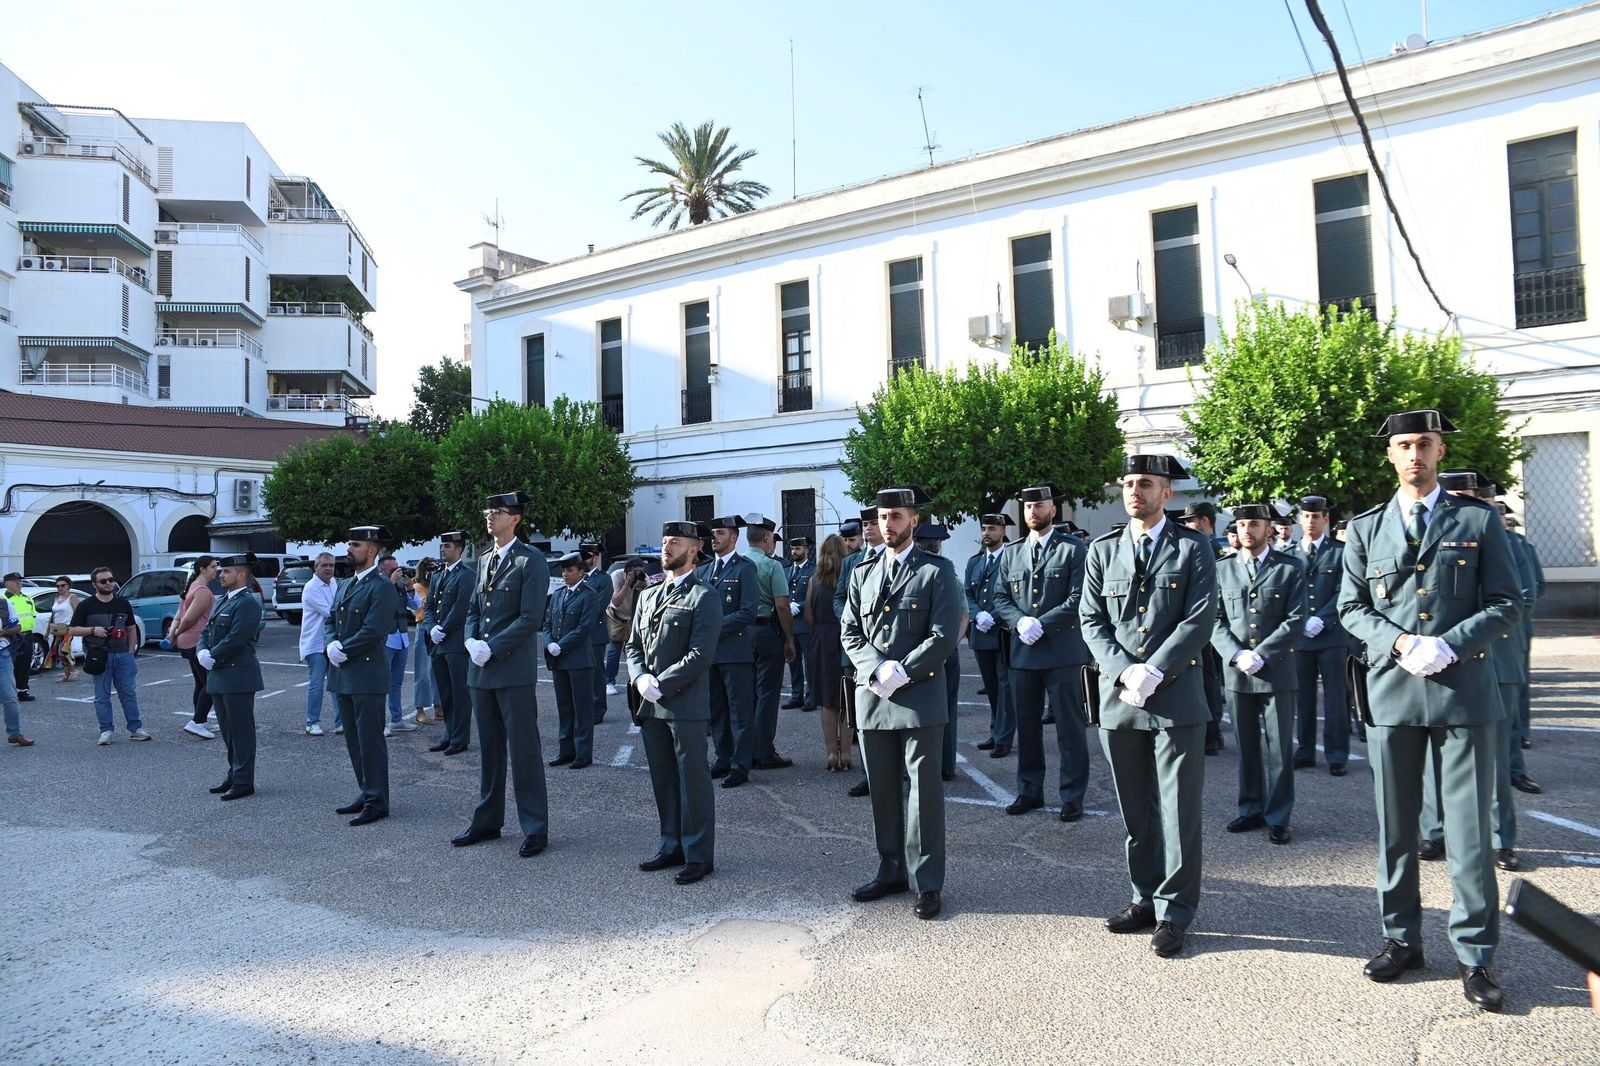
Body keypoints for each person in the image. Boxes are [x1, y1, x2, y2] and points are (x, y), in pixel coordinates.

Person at [1338, 409, 1522, 1012]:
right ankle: (1402, 940)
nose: (1414, 454)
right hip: (1393, 691)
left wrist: (1450, 643)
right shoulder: (1365, 528)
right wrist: (1398, 642)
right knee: (1397, 828)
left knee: (1469, 833)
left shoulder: (1476, 520)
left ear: (1441, 451)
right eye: (1403, 445)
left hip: (1462, 691)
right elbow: (1350, 606)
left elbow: (1507, 601)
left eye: (1424, 443)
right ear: (1389, 455)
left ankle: (1475, 954)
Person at [1080, 454, 1217, 959]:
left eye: (1146, 484)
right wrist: (1124, 671)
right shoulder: (1103, 550)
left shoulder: (1194, 547)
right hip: (1121, 700)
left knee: (1178, 812)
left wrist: (1154, 670)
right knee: (1136, 811)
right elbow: (1091, 619)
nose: (1135, 491)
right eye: (1129, 483)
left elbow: (1199, 618)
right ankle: (1144, 897)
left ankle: (1175, 912)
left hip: (1175, 696)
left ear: (1167, 493)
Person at [842, 487, 963, 920]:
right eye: (882, 516)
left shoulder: (936, 571)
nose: (887, 524)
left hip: (918, 697)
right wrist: (877, 668)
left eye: (896, 516)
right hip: (874, 694)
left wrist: (904, 670)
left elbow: (944, 634)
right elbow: (850, 630)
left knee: (923, 794)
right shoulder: (862, 571)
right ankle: (890, 870)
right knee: (882, 789)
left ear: (914, 520)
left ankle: (927, 882)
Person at [453, 491, 551, 858]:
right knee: (489, 751)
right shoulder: (483, 559)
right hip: (481, 670)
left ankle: (535, 827)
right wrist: (470, 640)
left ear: (516, 519)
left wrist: (492, 646)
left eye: (498, 511)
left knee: (524, 751)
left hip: (512, 669)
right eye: (488, 510)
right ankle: (487, 820)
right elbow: (474, 610)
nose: (490, 516)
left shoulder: (531, 560)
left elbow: (531, 618)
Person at [629, 521, 724, 884]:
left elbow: (701, 654)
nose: (666, 547)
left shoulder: (703, 596)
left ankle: (698, 854)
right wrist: (640, 677)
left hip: (684, 704)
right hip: (650, 702)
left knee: (692, 780)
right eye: (665, 540)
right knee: (663, 779)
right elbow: (633, 646)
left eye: (675, 542)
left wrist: (661, 683)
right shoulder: (649, 595)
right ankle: (671, 844)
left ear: (694, 549)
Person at [993, 484, 1093, 822]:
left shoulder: (1073, 549)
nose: (1033, 511)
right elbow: (1000, 596)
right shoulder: (1012, 553)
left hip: (1062, 651)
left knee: (1069, 727)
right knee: (1027, 726)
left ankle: (1072, 795)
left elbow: (1079, 596)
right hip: (1023, 651)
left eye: (1039, 505)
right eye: (1028, 506)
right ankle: (1030, 789)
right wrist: (1019, 621)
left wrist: (1044, 623)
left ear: (1053, 509)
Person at [1211, 502, 1306, 845]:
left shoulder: (1290, 568)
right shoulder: (1221, 569)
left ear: (1268, 529)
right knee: (1247, 747)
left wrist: (1263, 654)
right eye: (1241, 525)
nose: (1247, 531)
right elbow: (1214, 619)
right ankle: (1251, 808)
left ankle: (1279, 817)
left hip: (1276, 671)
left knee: (1279, 749)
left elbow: (1296, 618)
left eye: (1254, 524)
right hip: (1238, 673)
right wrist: (1237, 654)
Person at [326, 526, 401, 826]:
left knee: (370, 741)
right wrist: (330, 643)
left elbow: (374, 629)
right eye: (349, 544)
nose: (349, 549)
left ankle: (377, 801)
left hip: (367, 673)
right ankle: (366, 790)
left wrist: (343, 647)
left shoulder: (381, 587)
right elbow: (331, 619)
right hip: (344, 672)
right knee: (354, 740)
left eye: (355, 545)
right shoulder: (345, 584)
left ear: (372, 550)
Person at [696, 516, 760, 787]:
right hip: (710, 653)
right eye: (713, 533)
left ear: (734, 538)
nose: (714, 538)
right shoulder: (704, 571)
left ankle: (741, 764)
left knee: (740, 711)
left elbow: (748, 611)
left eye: (720, 533)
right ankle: (723, 758)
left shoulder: (745, 568)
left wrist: (712, 627)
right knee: (716, 710)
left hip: (735, 651)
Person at [196, 554, 264, 801]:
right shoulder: (223, 600)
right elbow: (206, 631)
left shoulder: (247, 603)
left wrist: (212, 655)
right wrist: (201, 650)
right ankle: (234, 774)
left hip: (237, 676)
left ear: (241, 574)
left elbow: (237, 638)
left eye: (226, 571)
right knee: (228, 731)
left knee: (241, 731)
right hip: (220, 676)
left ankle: (245, 781)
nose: (221, 575)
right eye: (221, 571)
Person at [1291, 495, 1351, 775]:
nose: (1311, 521)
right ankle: (1304, 750)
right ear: (1299, 519)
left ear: (1326, 519)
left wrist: (1323, 618)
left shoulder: (1340, 551)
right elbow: (1286, 594)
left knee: (1336, 697)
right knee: (1303, 697)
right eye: (1306, 516)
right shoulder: (1289, 554)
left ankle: (1337, 754)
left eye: (1316, 516)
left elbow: (1345, 590)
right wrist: (1303, 619)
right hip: (1301, 636)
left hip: (1333, 635)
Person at [835, 506, 885, 799]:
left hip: (889, 649)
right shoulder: (851, 562)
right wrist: (850, 621)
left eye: (873, 523)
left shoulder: (894, 558)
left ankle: (900, 771)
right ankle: (871, 775)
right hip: (857, 650)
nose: (868, 529)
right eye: (865, 524)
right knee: (862, 716)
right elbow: (839, 598)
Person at [70, 567, 150, 745]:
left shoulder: (123, 603)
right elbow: (73, 629)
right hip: (99, 655)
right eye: (103, 581)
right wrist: (93, 630)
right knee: (102, 696)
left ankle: (135, 728)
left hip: (123, 655)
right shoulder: (86, 605)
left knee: (128, 693)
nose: (108, 583)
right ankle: (106, 731)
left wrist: (131, 651)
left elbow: (131, 628)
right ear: (94, 584)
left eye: (111, 579)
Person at [743, 515, 797, 771]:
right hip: (766, 631)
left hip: (741, 634)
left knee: (745, 694)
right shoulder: (771, 566)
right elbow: (782, 606)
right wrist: (790, 639)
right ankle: (763, 751)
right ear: (766, 537)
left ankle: (744, 750)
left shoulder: (738, 564)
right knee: (767, 693)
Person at [915, 523, 966, 782]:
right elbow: (964, 616)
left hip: (921, 653)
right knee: (946, 710)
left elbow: (964, 615)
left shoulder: (916, 575)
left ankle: (928, 765)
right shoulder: (950, 574)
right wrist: (950, 646)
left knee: (920, 711)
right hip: (944, 651)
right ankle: (946, 765)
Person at [1177, 503, 1229, 756]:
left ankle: (1212, 733)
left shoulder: (1209, 547)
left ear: (1205, 521)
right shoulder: (1200, 545)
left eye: (1191, 520)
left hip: (1209, 620)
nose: (1187, 525)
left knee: (1208, 677)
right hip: (1203, 618)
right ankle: (1211, 733)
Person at [966, 513, 1016, 759]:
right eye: (984, 529)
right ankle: (995, 731)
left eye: (992, 529)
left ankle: (1004, 737)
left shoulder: (1012, 558)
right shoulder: (975, 562)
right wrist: (977, 615)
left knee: (1005, 687)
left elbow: (1014, 594)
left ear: (1003, 532)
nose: (987, 533)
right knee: (992, 687)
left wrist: (993, 616)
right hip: (981, 632)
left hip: (1003, 632)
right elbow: (967, 594)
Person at [545, 551, 600, 769]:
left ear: (581, 572)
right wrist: (549, 643)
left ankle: (583, 754)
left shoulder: (589, 595)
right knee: (565, 708)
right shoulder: (558, 595)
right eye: (563, 571)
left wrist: (561, 645)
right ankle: (566, 751)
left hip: (579, 661)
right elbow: (547, 624)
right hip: (559, 660)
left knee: (582, 709)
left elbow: (584, 627)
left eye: (569, 570)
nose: (565, 574)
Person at [424, 532, 474, 755]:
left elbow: (461, 608)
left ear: (459, 549)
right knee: (445, 692)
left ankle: (460, 738)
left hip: (455, 643)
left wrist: (442, 629)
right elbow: (428, 606)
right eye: (442, 546)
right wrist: (431, 628)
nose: (443, 549)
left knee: (459, 692)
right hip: (438, 643)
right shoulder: (437, 575)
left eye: (447, 546)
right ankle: (449, 733)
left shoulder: (467, 575)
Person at [807, 534, 850, 770]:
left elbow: (808, 615)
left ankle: (831, 753)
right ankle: (847, 753)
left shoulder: (814, 580)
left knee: (827, 701)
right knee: (847, 698)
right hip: (845, 638)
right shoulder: (850, 578)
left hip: (822, 640)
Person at [167, 556, 218, 741]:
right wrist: (176, 633)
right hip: (196, 642)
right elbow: (188, 618)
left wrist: (173, 634)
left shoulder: (191, 587)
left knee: (200, 683)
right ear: (202, 569)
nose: (216, 570)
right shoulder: (202, 591)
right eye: (213, 567)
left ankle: (200, 720)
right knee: (212, 684)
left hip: (187, 642)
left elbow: (178, 617)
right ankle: (197, 722)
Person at [379, 556, 419, 737]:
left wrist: (410, 587)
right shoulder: (379, 585)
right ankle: (379, 723)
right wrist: (391, 583)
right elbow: (379, 604)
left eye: (398, 568)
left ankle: (396, 720)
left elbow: (417, 606)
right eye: (392, 570)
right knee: (381, 684)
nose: (397, 572)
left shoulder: (401, 586)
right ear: (382, 571)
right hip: (386, 639)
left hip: (401, 638)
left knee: (396, 683)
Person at [300, 553, 340, 736]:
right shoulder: (311, 587)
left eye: (331, 565)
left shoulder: (334, 583)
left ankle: (341, 722)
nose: (328, 568)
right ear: (316, 567)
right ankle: (312, 722)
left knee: (336, 684)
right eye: (324, 565)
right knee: (316, 684)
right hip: (315, 643)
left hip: (331, 641)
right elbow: (331, 612)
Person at [605, 556, 648, 695]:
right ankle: (609, 682)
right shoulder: (617, 576)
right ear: (627, 571)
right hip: (617, 617)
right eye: (635, 572)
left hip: (634, 618)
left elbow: (649, 601)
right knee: (614, 649)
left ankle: (636, 680)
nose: (638, 574)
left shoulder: (644, 579)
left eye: (641, 571)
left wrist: (642, 587)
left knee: (635, 651)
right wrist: (627, 584)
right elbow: (616, 602)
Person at [580, 543, 612, 723]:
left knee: (596, 673)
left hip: (594, 634)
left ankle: (598, 710)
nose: (583, 559)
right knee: (581, 674)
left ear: (596, 558)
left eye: (587, 556)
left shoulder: (603, 579)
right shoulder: (579, 578)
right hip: (578, 635)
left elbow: (598, 607)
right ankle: (584, 708)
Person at [783, 535, 815, 711]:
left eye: (798, 549)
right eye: (793, 549)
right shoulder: (786, 570)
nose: (794, 552)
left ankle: (811, 697)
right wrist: (787, 605)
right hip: (789, 624)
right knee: (793, 661)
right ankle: (796, 696)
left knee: (809, 663)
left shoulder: (813, 571)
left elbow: (815, 595)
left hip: (805, 623)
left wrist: (800, 606)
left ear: (806, 550)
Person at [410, 557, 440, 724]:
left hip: (437, 626)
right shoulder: (417, 586)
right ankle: (420, 709)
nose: (432, 571)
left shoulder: (438, 583)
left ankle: (438, 706)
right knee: (422, 669)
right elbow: (422, 605)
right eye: (429, 568)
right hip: (423, 626)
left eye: (435, 568)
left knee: (437, 668)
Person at [1, 593, 32, 745]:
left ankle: (15, 733)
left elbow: (17, 627)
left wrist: (4, 632)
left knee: (10, 696)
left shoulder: (4, 603)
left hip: (2, 654)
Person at [3, 573, 36, 703]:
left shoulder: (27, 598)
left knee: (24, 664)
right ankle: (7, 692)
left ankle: (22, 691)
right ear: (7, 583)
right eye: (15, 581)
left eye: (19, 581)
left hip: (27, 635)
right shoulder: (3, 600)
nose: (18, 583)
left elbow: (32, 616)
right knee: (8, 665)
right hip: (10, 636)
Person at [44, 576, 83, 681]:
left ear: (68, 586)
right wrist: (47, 632)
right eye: (58, 586)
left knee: (64, 649)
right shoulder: (56, 599)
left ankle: (73, 670)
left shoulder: (72, 597)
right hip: (58, 629)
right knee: (59, 652)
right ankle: (66, 673)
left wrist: (76, 626)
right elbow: (52, 616)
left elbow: (79, 613)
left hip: (69, 628)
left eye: (62, 585)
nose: (60, 588)